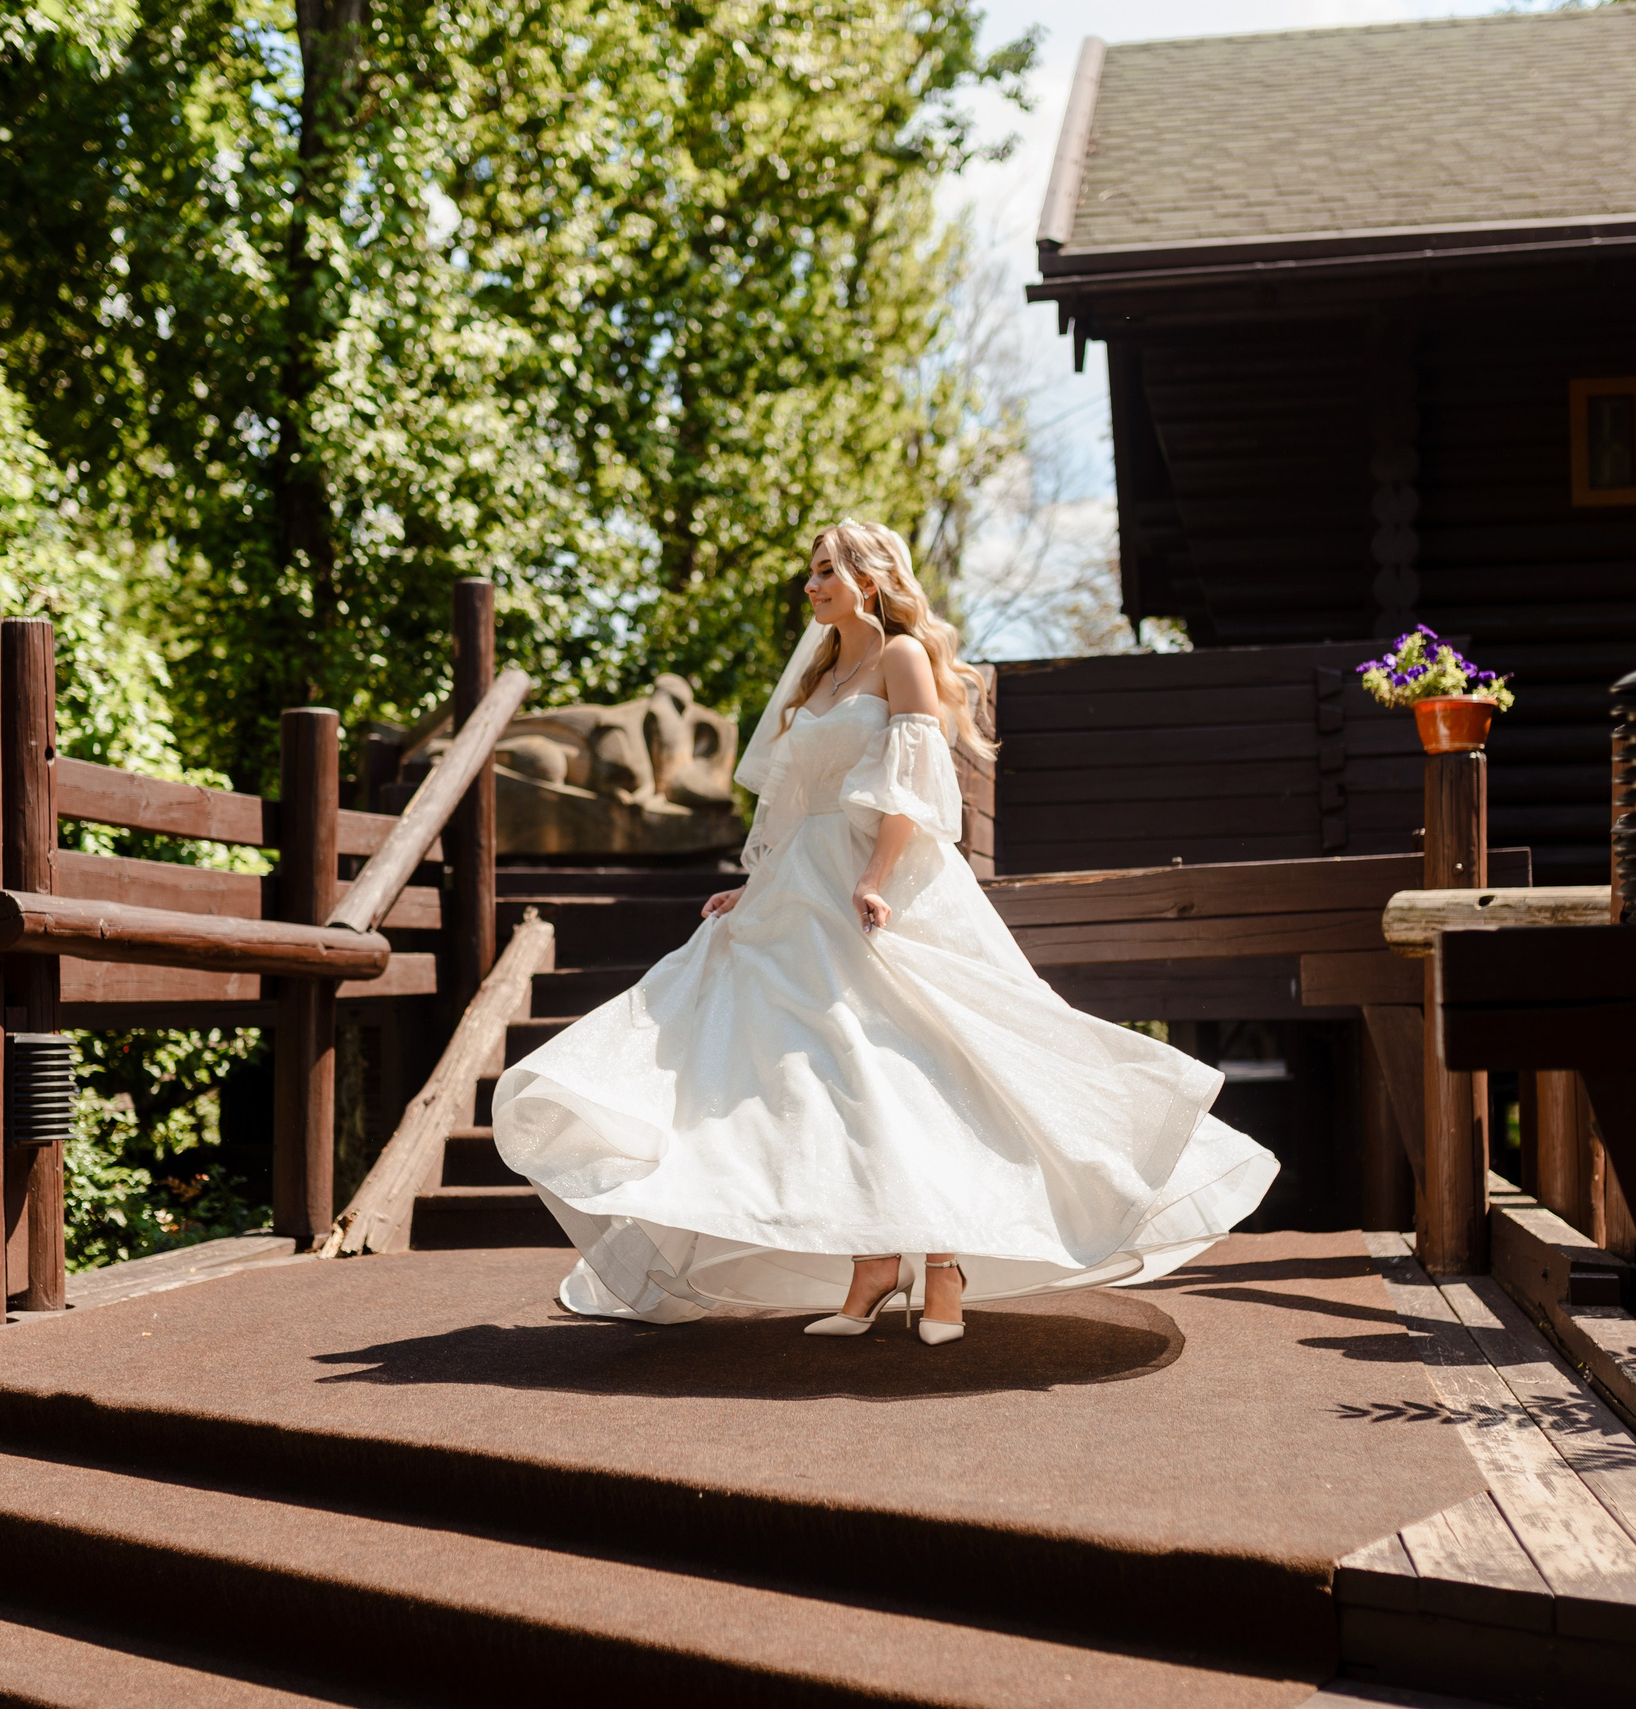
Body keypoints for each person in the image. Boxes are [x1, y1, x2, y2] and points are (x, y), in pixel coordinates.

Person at [491, 520, 1278, 1343]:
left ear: (869, 577)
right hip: (802, 879)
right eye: (810, 572)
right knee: (829, 1070)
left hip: (883, 877)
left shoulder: (901, 658)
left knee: (916, 1060)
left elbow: (914, 783)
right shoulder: (817, 677)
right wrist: (751, 886)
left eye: (827, 569)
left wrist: (873, 877)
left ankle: (942, 1268)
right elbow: (793, 801)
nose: (813, 585)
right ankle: (873, 1262)